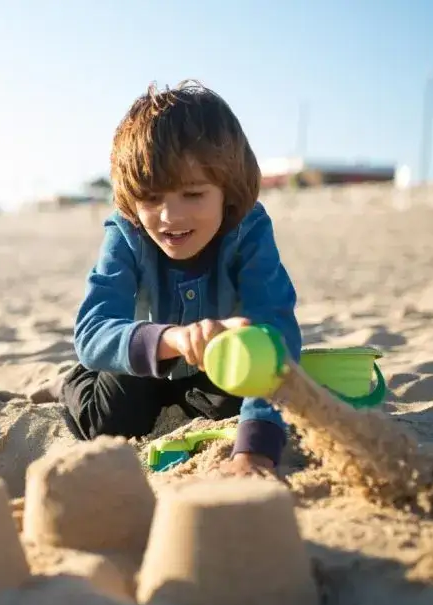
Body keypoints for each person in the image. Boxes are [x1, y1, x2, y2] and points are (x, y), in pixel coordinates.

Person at [60, 79, 302, 476]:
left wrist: (255, 450)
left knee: (239, 402)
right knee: (111, 423)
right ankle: (71, 386)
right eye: (152, 198)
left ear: (228, 190)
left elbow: (276, 327)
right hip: (134, 366)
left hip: (210, 366)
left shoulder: (249, 229)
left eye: (193, 195)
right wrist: (171, 337)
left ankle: (178, 406)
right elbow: (91, 332)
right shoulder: (126, 232)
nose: (171, 218)